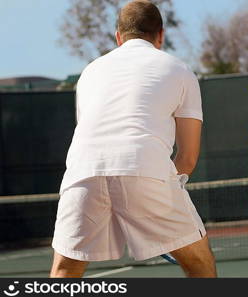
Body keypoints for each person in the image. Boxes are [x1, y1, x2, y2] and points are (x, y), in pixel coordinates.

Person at [50, 0, 216, 278]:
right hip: (146, 169)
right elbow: (187, 157)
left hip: (81, 173)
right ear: (160, 34)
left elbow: (96, 136)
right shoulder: (181, 70)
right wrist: (165, 191)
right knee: (200, 263)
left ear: (118, 37)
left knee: (66, 269)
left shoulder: (89, 72)